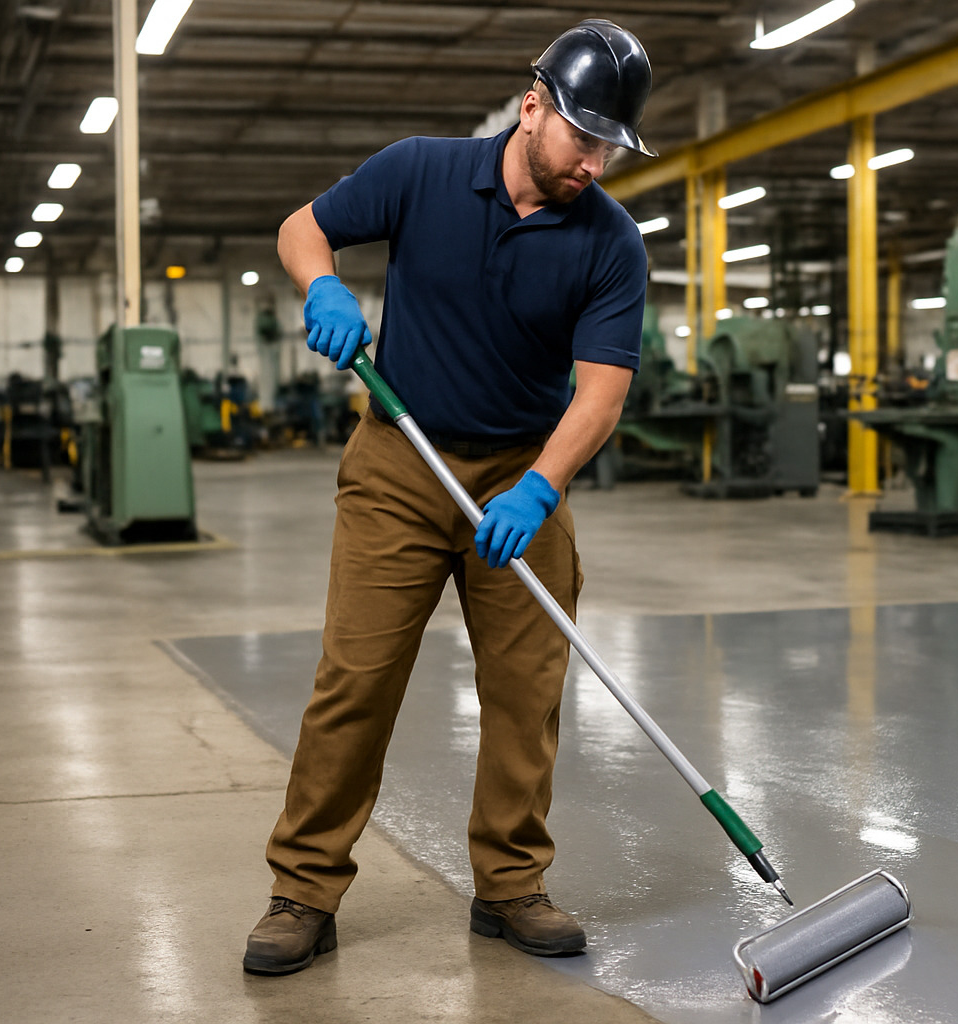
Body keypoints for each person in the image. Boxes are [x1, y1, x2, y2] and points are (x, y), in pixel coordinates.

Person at [243, 19, 656, 975]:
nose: (593, 162)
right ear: (532, 107)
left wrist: (539, 490)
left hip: (521, 474)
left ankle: (511, 885)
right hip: (400, 462)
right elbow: (301, 229)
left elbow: (601, 393)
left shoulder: (611, 243)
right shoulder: (421, 172)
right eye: (582, 137)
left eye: (608, 146)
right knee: (356, 679)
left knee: (527, 692)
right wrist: (324, 289)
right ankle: (303, 889)